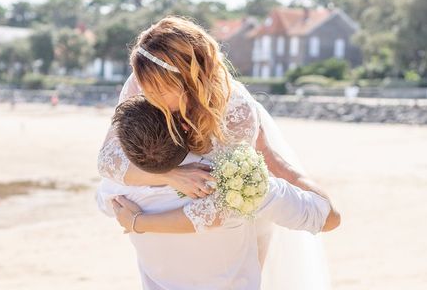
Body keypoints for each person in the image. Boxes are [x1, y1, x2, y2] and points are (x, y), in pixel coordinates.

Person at [97, 16, 338, 288]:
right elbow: (107, 159)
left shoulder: (237, 112)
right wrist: (171, 176)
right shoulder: (144, 80)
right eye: (146, 87)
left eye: (161, 91)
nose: (150, 97)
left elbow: (228, 203)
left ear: (191, 80)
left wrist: (140, 222)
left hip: (232, 223)